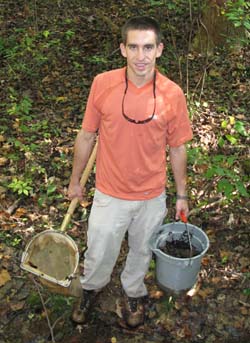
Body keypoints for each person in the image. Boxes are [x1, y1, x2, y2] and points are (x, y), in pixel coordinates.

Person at [68, 16, 193, 328]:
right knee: (99, 250)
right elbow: (86, 136)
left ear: (160, 49)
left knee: (141, 251)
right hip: (110, 192)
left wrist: (181, 195)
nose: (141, 56)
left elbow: (177, 148)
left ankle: (132, 291)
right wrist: (74, 180)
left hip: (151, 195)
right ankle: (91, 288)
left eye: (148, 47)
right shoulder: (103, 84)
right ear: (122, 49)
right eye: (134, 47)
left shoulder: (172, 93)